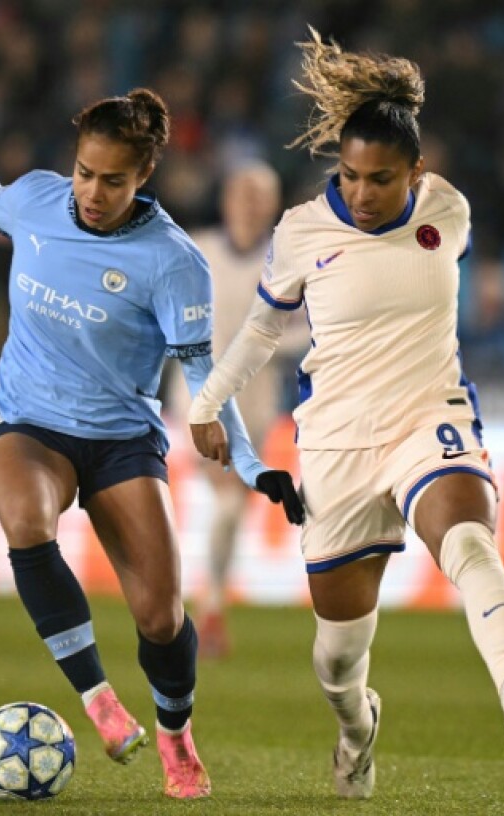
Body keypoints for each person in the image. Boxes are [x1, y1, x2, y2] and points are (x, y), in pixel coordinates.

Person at [187, 31, 504, 799]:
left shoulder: (447, 212)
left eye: (381, 179)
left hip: (430, 416)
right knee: (335, 660)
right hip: (337, 444)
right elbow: (261, 328)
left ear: (417, 173)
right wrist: (206, 400)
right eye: (349, 176)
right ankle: (357, 729)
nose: (360, 193)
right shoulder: (299, 232)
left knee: (468, 540)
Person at [0, 91, 303, 800]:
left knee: (161, 617)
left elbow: (207, 381)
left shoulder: (173, 263)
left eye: (113, 180)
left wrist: (254, 468)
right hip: (26, 421)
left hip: (121, 438)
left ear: (145, 175)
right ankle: (98, 699)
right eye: (83, 172)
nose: (92, 193)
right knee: (28, 526)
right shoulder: (38, 202)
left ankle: (175, 734)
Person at [186, 161, 310, 657]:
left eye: (261, 197)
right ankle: (208, 604)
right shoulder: (197, 251)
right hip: (200, 400)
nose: (250, 204)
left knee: (233, 507)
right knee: (228, 497)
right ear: (227, 199)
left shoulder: (287, 262)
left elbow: (309, 328)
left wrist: (263, 345)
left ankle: (208, 598)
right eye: (243, 193)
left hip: (257, 405)